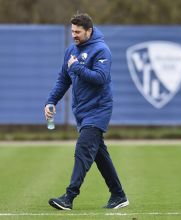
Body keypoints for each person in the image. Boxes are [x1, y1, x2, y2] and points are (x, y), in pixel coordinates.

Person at [44, 13, 129, 210]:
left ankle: (69, 197)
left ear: (89, 31)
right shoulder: (70, 51)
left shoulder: (102, 50)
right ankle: (119, 195)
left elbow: (100, 78)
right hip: (82, 111)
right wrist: (51, 101)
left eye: (78, 32)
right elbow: (63, 79)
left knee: (83, 150)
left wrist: (78, 66)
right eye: (72, 31)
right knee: (100, 154)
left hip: (98, 109)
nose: (74, 35)